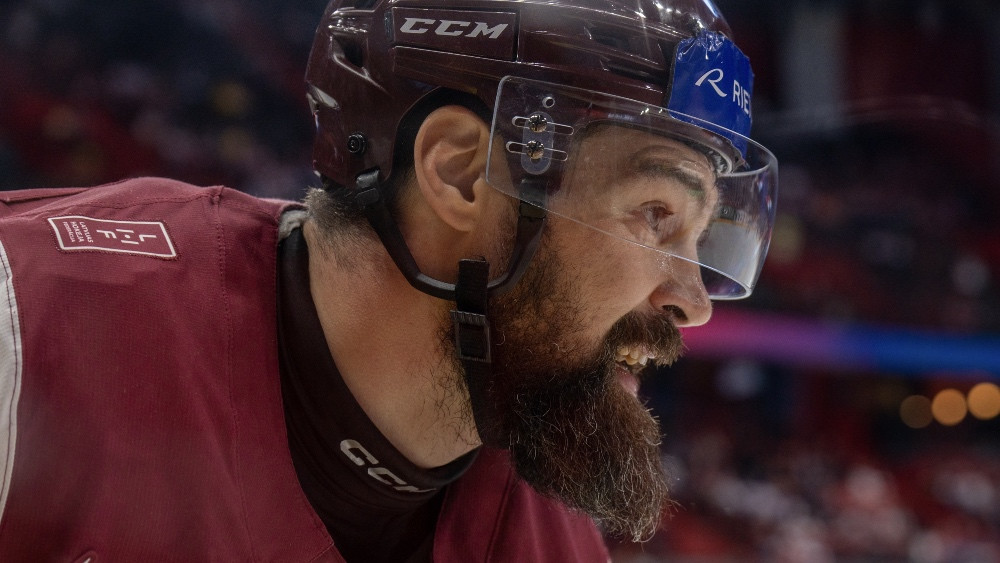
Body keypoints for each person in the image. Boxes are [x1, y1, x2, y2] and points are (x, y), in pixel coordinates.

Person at [0, 0, 777, 561]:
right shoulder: (31, 328)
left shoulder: (548, 527)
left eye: (702, 233)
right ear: (461, 173)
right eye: (655, 212)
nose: (692, 300)